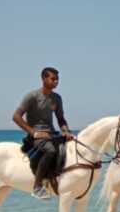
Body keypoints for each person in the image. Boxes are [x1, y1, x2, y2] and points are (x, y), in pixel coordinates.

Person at [12, 67, 75, 200]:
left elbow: (61, 119)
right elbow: (16, 117)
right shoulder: (32, 97)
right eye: (53, 79)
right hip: (34, 135)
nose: (56, 82)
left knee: (71, 147)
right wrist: (35, 133)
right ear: (43, 79)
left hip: (51, 133)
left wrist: (66, 131)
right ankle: (37, 186)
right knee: (50, 151)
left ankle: (57, 180)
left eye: (57, 79)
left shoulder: (57, 98)